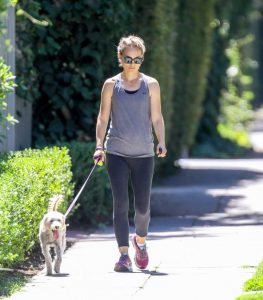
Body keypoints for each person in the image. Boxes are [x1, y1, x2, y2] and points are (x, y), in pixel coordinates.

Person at [93, 35, 167, 272]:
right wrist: (99, 145)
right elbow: (103, 118)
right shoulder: (110, 85)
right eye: (128, 58)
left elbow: (157, 117)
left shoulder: (151, 85)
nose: (133, 63)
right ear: (120, 58)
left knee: (143, 206)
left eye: (138, 59)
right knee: (121, 204)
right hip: (117, 152)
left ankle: (141, 241)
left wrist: (161, 141)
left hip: (144, 154)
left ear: (142, 59)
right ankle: (124, 255)